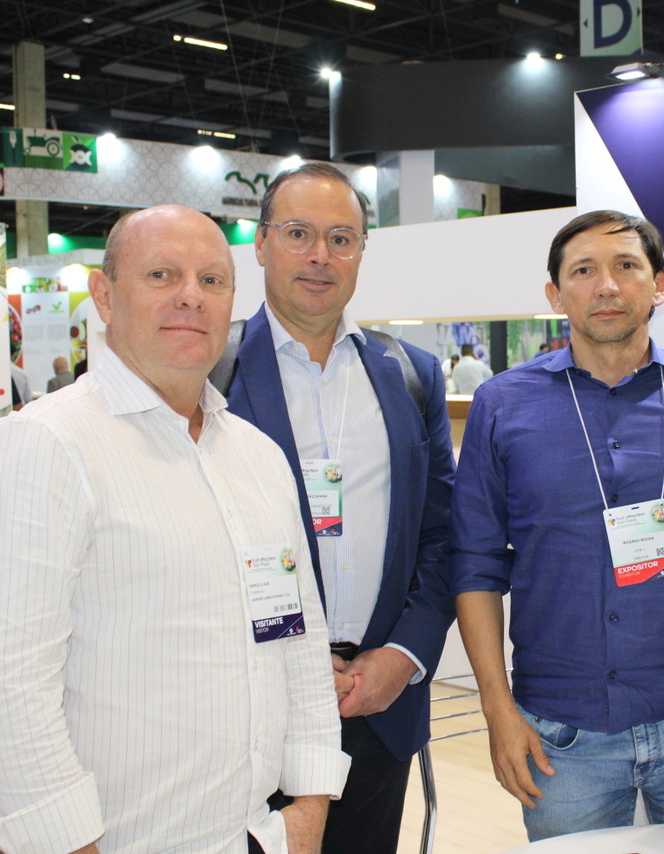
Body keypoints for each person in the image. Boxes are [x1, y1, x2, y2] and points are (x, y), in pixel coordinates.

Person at [0, 205, 348, 854]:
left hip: (257, 834)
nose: (191, 296)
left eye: (212, 280)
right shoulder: (42, 446)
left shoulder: (258, 458)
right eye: (162, 275)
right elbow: (8, 691)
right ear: (105, 295)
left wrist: (308, 808)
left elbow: (296, 641)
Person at [451, 210, 664, 842]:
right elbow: (475, 565)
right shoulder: (502, 404)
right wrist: (497, 711)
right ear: (555, 294)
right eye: (583, 271)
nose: (606, 286)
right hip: (559, 735)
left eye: (626, 266)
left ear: (660, 284)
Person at [223, 163, 456, 854]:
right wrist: (287, 666)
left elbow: (442, 536)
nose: (320, 255)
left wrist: (404, 657)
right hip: (247, 712)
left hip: (375, 704)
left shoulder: (410, 374)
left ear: (360, 251)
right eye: (298, 233)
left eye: (341, 238)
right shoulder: (211, 373)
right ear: (261, 244)